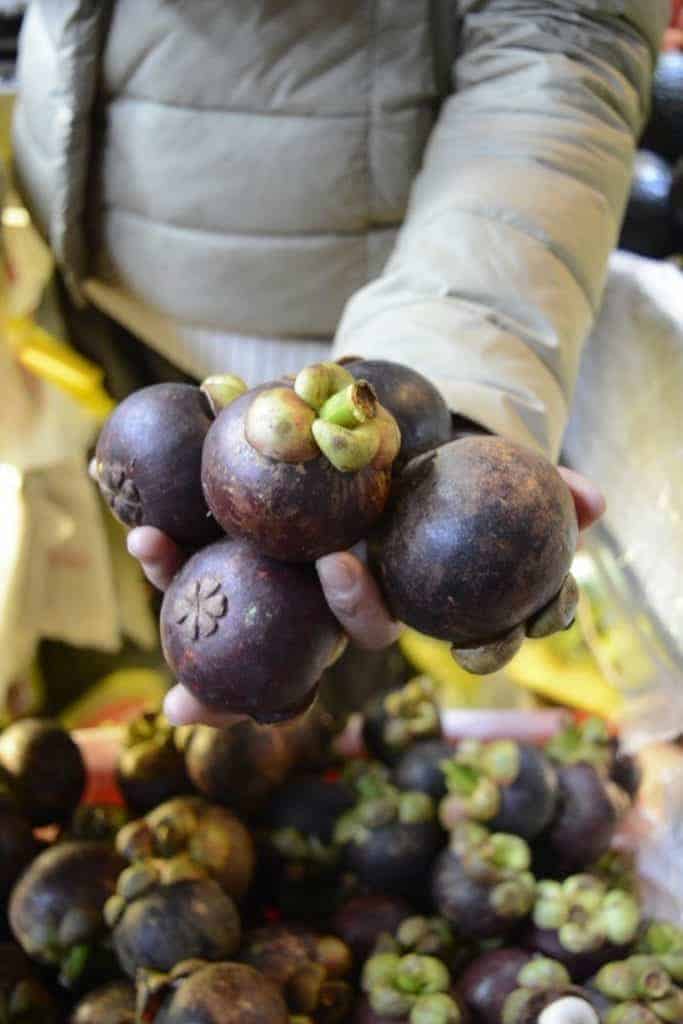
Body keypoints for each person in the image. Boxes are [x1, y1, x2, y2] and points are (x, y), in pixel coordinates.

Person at [11, 1, 670, 726]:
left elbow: (568, 30)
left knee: (355, 684)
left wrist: (459, 366)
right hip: (92, 297)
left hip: (382, 313)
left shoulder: (365, 441)